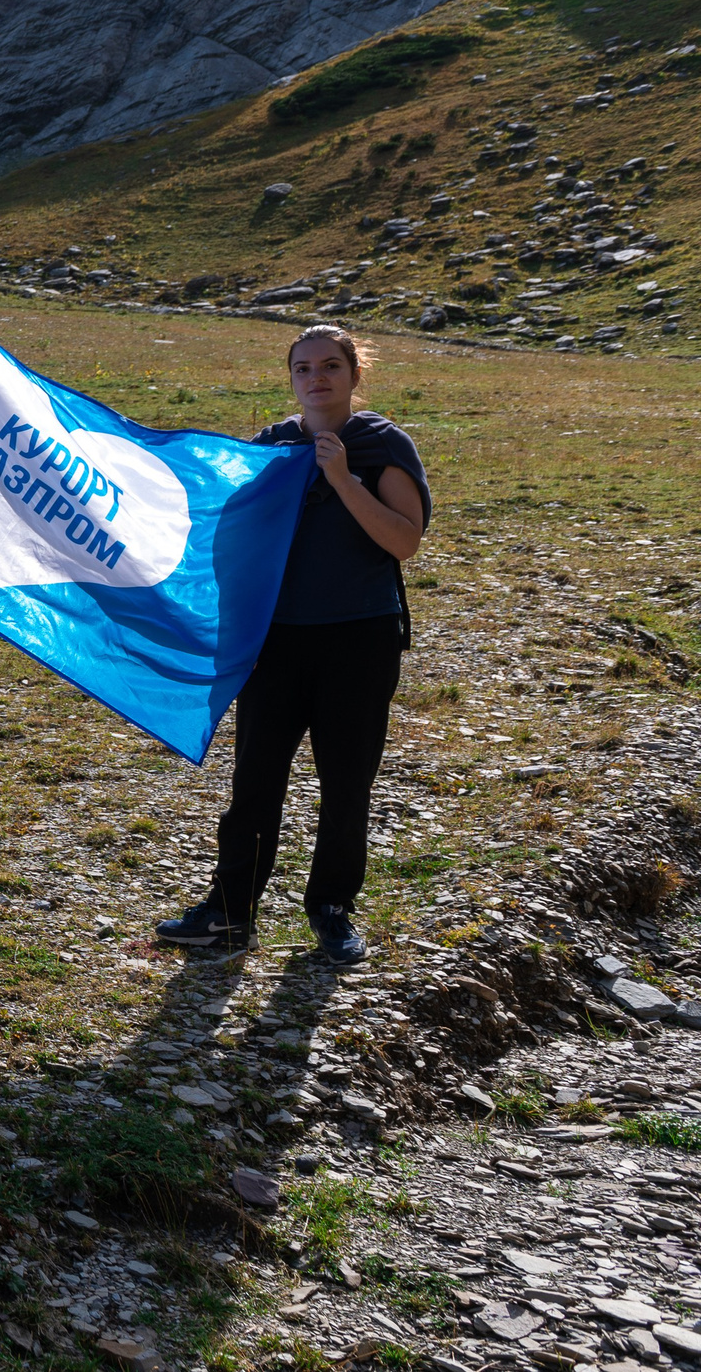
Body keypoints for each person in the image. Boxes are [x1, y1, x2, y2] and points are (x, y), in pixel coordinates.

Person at [157, 326, 428, 965]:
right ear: (292, 380)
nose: (317, 379)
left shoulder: (382, 445)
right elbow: (230, 529)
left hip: (359, 639)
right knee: (255, 778)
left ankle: (333, 909)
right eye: (303, 368)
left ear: (355, 375)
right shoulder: (273, 447)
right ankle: (230, 912)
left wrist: (341, 478)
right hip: (275, 641)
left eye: (331, 366)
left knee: (345, 780)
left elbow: (403, 540)